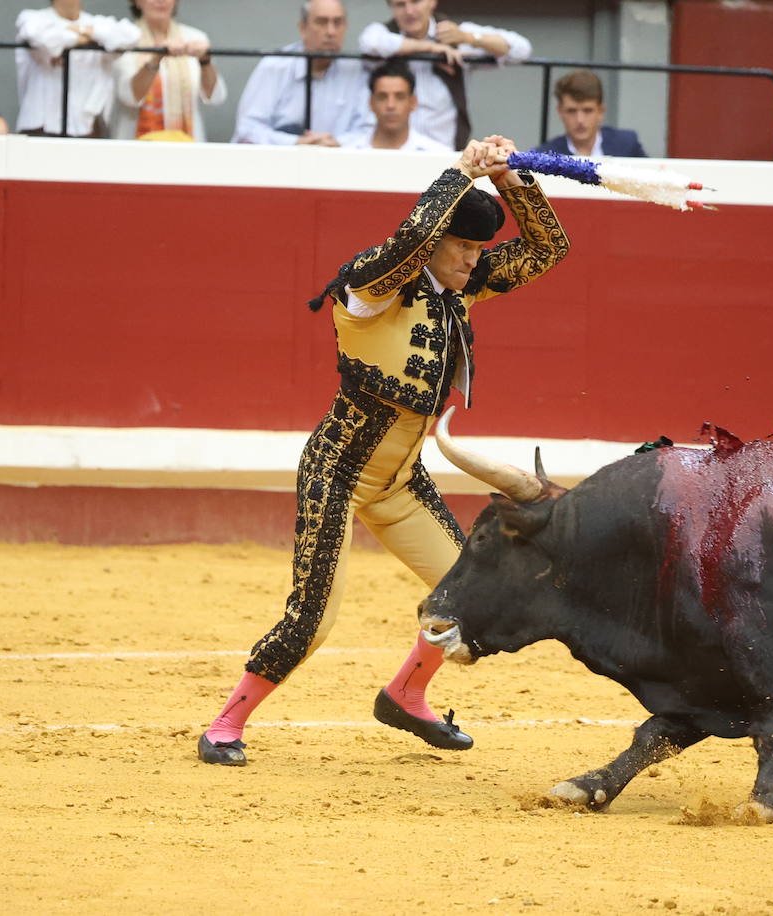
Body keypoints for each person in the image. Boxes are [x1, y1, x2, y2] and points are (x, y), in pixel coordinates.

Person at [196, 134, 571, 767]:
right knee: (314, 616)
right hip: (337, 470)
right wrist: (456, 171)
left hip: (399, 480)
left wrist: (510, 179)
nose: (474, 260)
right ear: (435, 242)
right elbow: (405, 243)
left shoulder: (459, 287)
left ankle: (406, 693)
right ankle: (225, 723)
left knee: (466, 592)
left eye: (480, 248)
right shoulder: (370, 285)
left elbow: (547, 249)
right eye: (464, 246)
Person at [359, 0, 530, 150]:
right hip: (395, 152)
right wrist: (430, 48)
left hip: (443, 154)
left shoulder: (456, 34)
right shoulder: (385, 32)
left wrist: (468, 37)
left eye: (416, 1)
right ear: (391, 7)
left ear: (432, 2)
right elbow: (370, 43)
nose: (409, 11)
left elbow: (521, 49)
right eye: (400, 4)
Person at [232, 0, 371, 147]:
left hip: (338, 164)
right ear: (303, 28)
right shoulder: (275, 66)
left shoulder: (357, 71)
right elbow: (247, 130)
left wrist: (337, 143)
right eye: (322, 22)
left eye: (338, 23)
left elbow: (368, 132)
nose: (331, 31)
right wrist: (295, 143)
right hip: (277, 163)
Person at [15, 0, 139, 138]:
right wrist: (78, 37)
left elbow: (131, 35)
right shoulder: (32, 18)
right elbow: (35, 34)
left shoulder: (95, 22)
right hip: (41, 126)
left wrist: (84, 31)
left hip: (89, 127)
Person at [110, 0, 225, 142]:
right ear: (136, 2)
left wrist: (205, 61)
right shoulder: (125, 40)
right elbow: (130, 97)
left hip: (187, 145)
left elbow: (213, 96)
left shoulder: (195, 37)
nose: (161, 1)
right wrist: (156, 58)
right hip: (136, 145)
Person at [339, 57, 448, 151]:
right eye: (382, 97)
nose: (390, 105)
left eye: (400, 97)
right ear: (371, 103)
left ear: (413, 102)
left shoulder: (437, 154)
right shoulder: (346, 151)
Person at [533, 69, 645, 158]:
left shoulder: (627, 144)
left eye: (587, 110)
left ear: (600, 111)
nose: (580, 120)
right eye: (571, 111)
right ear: (560, 112)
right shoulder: (545, 156)